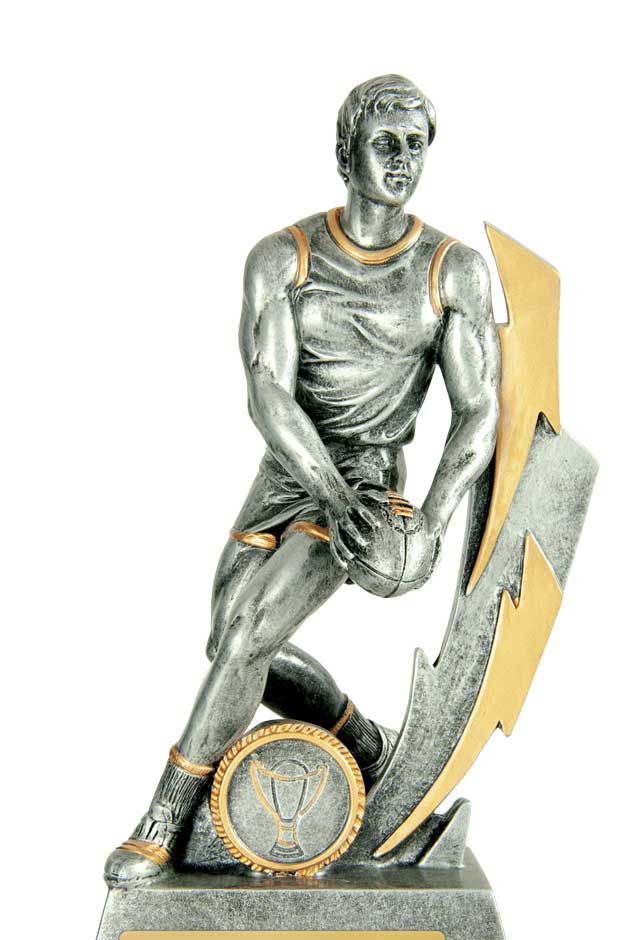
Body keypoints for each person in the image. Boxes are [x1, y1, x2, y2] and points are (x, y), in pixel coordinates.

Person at [105, 74, 500, 885]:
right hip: (294, 472)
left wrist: (429, 517)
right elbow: (268, 392)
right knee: (230, 639)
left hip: (367, 486)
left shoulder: (451, 270)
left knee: (250, 632)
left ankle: (164, 815)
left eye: (416, 146)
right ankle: (367, 745)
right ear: (345, 154)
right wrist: (327, 490)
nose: (403, 160)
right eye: (385, 143)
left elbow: (479, 410)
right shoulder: (282, 258)